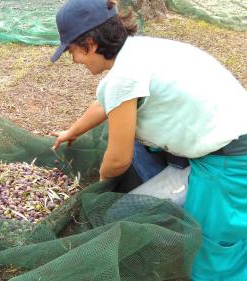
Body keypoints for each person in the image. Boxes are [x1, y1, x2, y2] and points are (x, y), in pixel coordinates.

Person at [49, 0, 247, 280]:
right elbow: (104, 103)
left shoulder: (125, 76)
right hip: (218, 142)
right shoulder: (139, 49)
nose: (74, 60)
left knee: (215, 252)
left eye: (72, 51)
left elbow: (118, 160)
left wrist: (97, 189)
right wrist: (73, 131)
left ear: (91, 43)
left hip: (230, 162)